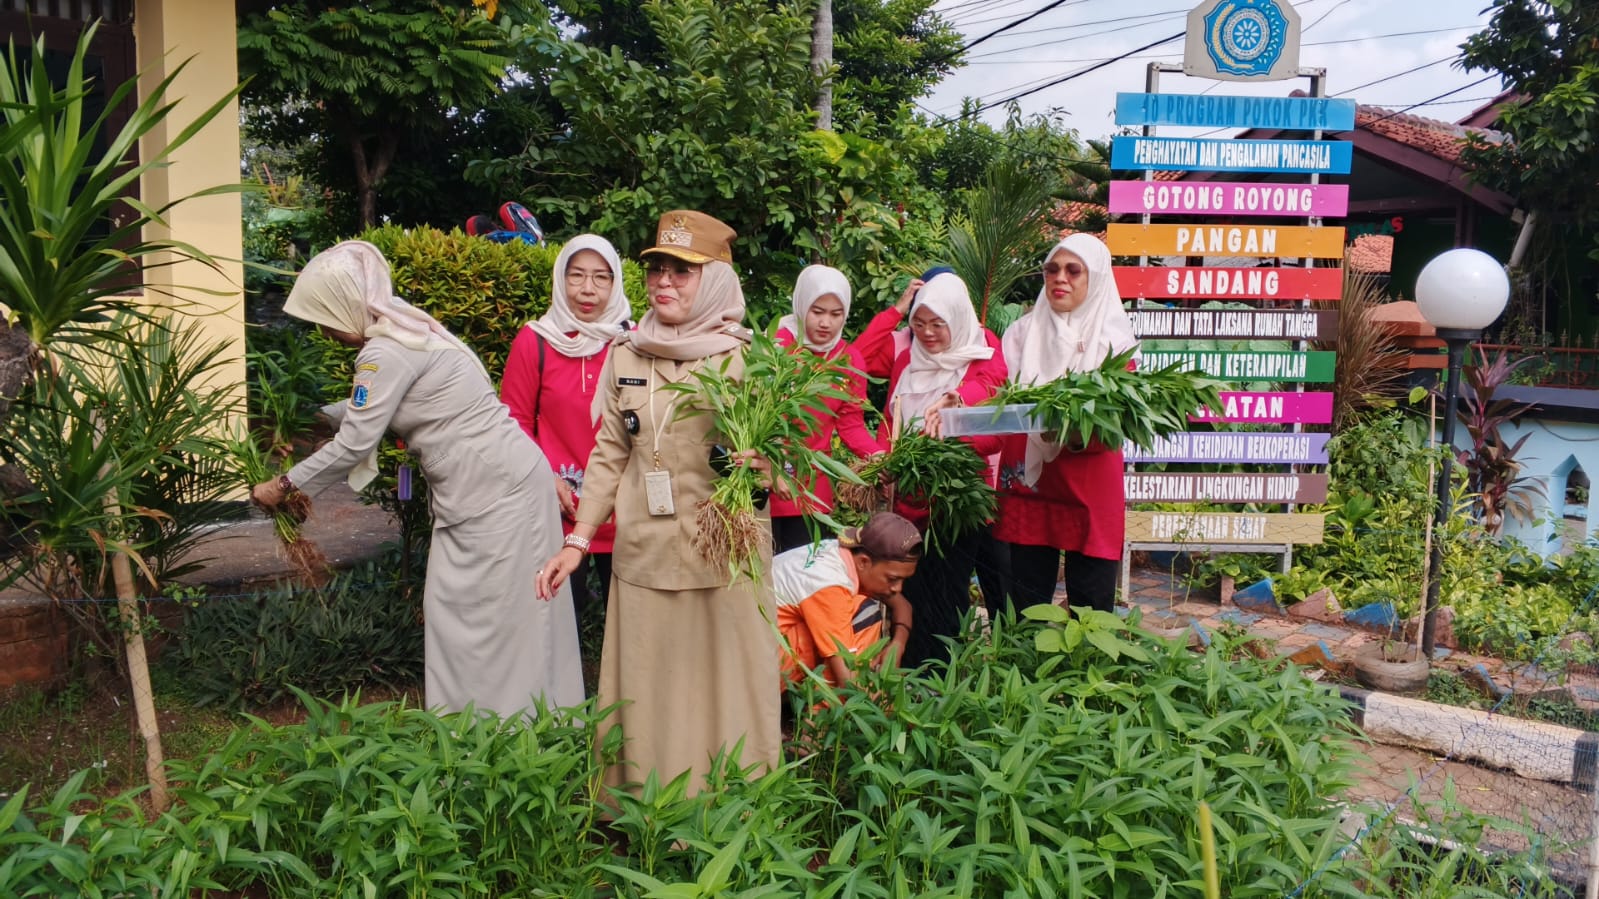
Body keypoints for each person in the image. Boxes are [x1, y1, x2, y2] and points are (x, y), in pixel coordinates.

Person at [249, 240, 583, 718]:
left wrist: (282, 486)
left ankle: (512, 735)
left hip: (497, 494)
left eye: (323, 315)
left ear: (346, 304)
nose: (322, 329)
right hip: (495, 484)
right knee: (473, 610)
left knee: (506, 616)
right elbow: (392, 404)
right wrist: (322, 417)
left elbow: (357, 442)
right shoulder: (410, 328)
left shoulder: (385, 351)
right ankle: (489, 728)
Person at [535, 210, 780, 796]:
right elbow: (610, 452)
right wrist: (577, 539)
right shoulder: (628, 353)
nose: (663, 281)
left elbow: (783, 460)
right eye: (656, 269)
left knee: (723, 683)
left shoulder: (749, 360)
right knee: (649, 682)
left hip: (723, 553)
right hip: (645, 548)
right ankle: (644, 804)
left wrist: (763, 468)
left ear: (716, 280)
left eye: (682, 271)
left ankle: (731, 801)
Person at [852, 271, 1008, 669]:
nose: (928, 333)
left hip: (957, 498)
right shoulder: (907, 353)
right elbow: (854, 362)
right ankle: (905, 672)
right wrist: (896, 312)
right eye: (920, 323)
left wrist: (958, 404)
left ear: (956, 319)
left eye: (938, 324)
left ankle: (940, 676)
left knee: (948, 589)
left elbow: (993, 409)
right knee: (906, 585)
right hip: (903, 496)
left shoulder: (980, 349)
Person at [994, 233, 1139, 615]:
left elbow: (1116, 417)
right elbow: (995, 395)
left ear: (1096, 278)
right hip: (1031, 477)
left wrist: (1076, 432)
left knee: (1091, 597)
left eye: (1074, 271)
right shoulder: (1021, 334)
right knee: (1024, 598)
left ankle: (1086, 672)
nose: (1061, 278)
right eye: (1052, 269)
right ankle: (1023, 669)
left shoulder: (1114, 343)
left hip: (1088, 473)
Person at [501, 235, 632, 628]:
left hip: (623, 508)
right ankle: (558, 693)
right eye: (576, 276)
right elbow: (513, 423)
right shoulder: (535, 341)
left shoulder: (635, 341)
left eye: (600, 277)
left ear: (615, 283)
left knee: (629, 628)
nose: (587, 289)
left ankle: (625, 693)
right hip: (555, 507)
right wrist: (545, 477)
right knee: (555, 624)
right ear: (560, 279)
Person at [771, 265, 880, 553]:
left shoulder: (848, 360)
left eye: (836, 314)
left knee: (802, 576)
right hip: (767, 482)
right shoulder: (777, 348)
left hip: (811, 489)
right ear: (801, 304)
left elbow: (851, 423)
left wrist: (879, 457)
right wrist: (771, 467)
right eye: (817, 311)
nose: (825, 323)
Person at [774, 512, 921, 689]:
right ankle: (823, 715)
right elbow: (846, 678)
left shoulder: (840, 554)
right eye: (892, 579)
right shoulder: (829, 583)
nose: (898, 588)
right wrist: (880, 704)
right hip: (760, 669)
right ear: (864, 562)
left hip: (759, 652)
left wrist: (898, 645)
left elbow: (903, 606)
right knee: (863, 614)